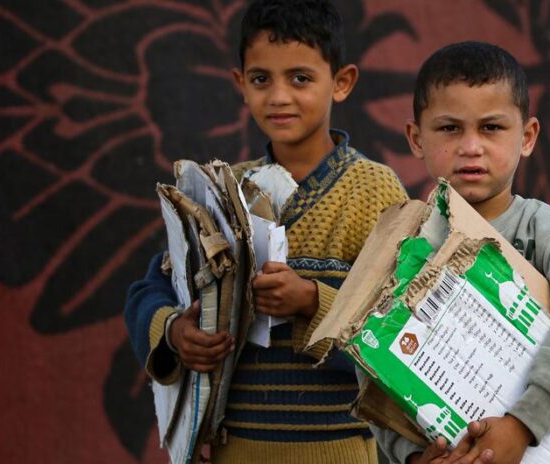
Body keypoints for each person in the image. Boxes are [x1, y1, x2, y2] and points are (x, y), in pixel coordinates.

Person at [124, 1, 408, 462]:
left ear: (342, 83)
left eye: (300, 78)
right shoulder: (223, 190)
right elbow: (153, 288)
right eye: (261, 79)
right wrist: (176, 331)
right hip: (234, 447)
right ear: (241, 84)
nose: (278, 97)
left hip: (337, 449)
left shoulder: (373, 190)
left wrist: (314, 301)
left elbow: (403, 326)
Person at [374, 41, 550, 464]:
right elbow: (377, 375)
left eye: (491, 127)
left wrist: (522, 424)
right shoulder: (403, 253)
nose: (471, 147)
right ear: (416, 139)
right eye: (449, 129)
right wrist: (415, 456)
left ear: (527, 137)